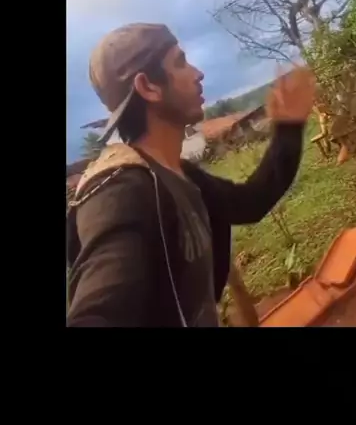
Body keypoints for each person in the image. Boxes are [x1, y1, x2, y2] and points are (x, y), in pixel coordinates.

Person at [67, 23, 315, 327]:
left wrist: (288, 128)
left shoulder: (179, 174)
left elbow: (251, 202)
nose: (198, 73)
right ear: (148, 87)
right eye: (180, 62)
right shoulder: (120, 194)